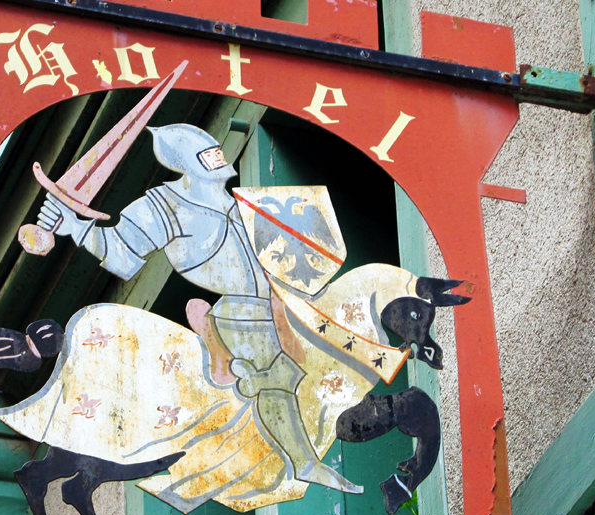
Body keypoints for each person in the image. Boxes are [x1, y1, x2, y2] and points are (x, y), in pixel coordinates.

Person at [36, 123, 363, 494]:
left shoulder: (237, 202)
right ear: (188, 161)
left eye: (217, 153)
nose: (219, 160)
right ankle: (303, 464)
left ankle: (303, 457)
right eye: (209, 155)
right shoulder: (164, 205)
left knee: (320, 366)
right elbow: (121, 252)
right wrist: (74, 227)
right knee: (274, 384)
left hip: (276, 303)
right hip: (236, 313)